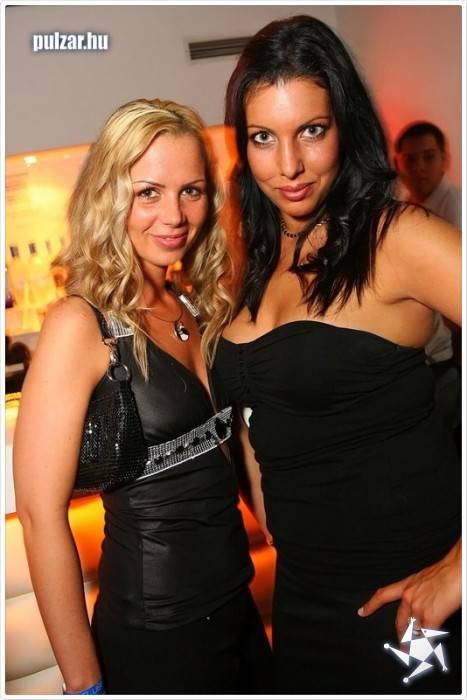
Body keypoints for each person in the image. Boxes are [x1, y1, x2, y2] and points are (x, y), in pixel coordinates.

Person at [213, 15, 462, 694]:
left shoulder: (393, 238)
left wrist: (461, 568)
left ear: (345, 126)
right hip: (300, 599)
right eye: (263, 138)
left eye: (311, 131)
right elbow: (259, 414)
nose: (288, 166)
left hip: (407, 601)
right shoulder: (258, 255)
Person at [13, 98, 272, 695]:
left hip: (238, 608)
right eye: (148, 192)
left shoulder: (194, 304)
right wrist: (85, 685)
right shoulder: (80, 324)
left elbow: (237, 453)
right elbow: (39, 515)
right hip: (159, 635)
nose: (174, 215)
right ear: (109, 196)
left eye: (191, 191)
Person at [394, 121, 462, 448]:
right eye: (410, 160)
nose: (419, 167)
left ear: (444, 159)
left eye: (429, 157)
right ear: (398, 163)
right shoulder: (406, 210)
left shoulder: (457, 211)